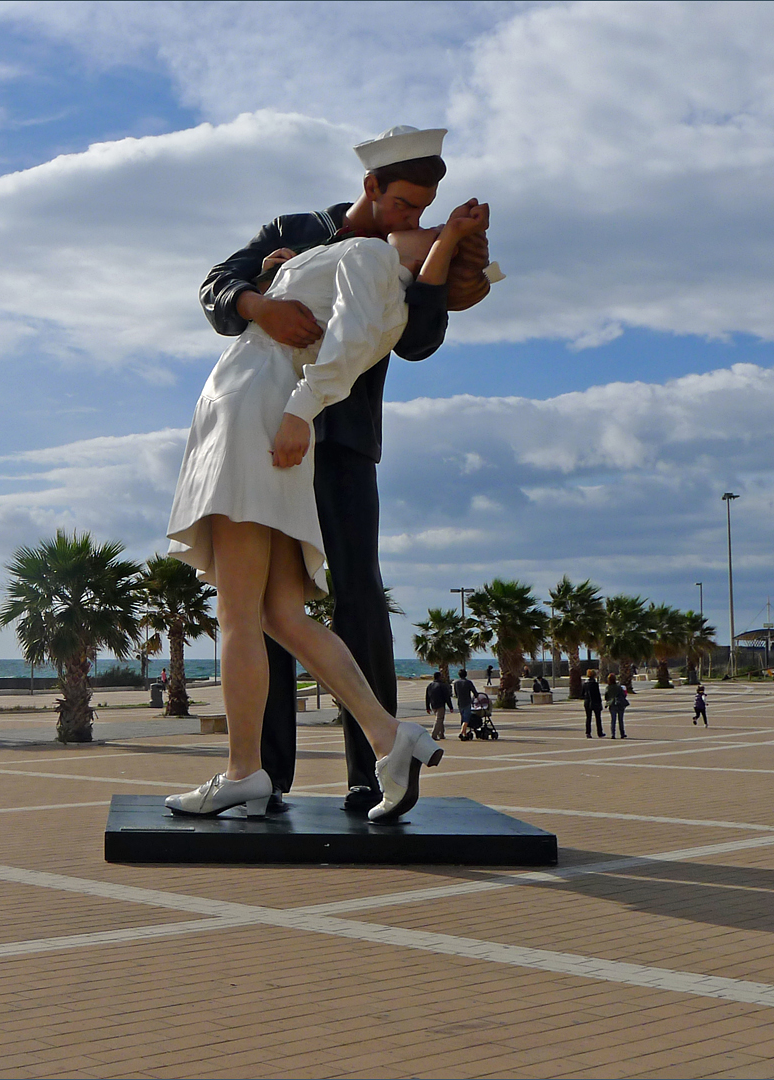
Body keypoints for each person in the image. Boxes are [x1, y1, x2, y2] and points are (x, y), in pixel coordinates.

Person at [198, 124, 491, 815]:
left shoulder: (401, 254)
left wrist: (440, 260)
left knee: (357, 596)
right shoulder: (296, 227)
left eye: (422, 211)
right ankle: (264, 775)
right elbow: (216, 285)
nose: (410, 220)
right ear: (370, 188)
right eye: (403, 207)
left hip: (344, 443)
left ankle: (372, 773)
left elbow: (418, 340)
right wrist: (259, 301)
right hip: (268, 431)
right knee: (268, 608)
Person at [425, 669, 452, 741]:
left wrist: (427, 707)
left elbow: (427, 697)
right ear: (439, 677)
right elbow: (447, 697)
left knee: (440, 719)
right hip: (440, 705)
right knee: (439, 719)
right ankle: (434, 734)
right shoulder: (442, 685)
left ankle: (441, 734)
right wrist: (450, 706)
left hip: (433, 705)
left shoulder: (430, 685)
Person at [454, 668, 477, 739]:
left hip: (460, 702)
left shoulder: (456, 683)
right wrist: (476, 696)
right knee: (466, 718)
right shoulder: (468, 682)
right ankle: (462, 732)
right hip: (467, 701)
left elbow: (456, 693)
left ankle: (464, 733)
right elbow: (474, 692)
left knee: (463, 717)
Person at [604, 673, 629, 739]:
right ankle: (622, 733)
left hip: (612, 704)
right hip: (620, 704)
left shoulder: (608, 688)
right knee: (620, 719)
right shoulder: (619, 687)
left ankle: (613, 734)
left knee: (613, 720)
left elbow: (606, 697)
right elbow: (623, 695)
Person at [582, 669, 604, 738]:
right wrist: (600, 703)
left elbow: (582, 694)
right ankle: (599, 732)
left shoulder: (585, 684)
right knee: (598, 718)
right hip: (595, 702)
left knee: (588, 718)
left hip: (587, 702)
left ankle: (588, 732)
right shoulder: (595, 684)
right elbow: (597, 694)